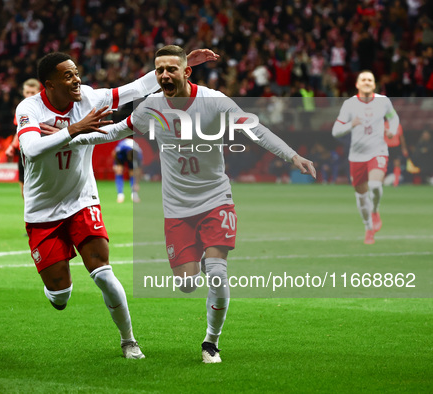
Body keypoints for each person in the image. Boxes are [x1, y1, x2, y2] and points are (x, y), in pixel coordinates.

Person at [70, 45, 316, 363]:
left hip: (216, 200)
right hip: (176, 209)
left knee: (217, 273)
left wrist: (292, 155)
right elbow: (115, 131)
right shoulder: (151, 107)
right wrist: (67, 135)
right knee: (186, 284)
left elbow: (256, 130)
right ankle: (197, 263)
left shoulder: (214, 102)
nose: (164, 75)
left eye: (171, 69)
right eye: (159, 70)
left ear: (186, 71)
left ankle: (211, 343)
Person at [15, 49, 218, 359]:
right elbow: (30, 148)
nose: (76, 79)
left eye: (76, 72)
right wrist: (74, 129)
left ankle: (129, 341)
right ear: (50, 84)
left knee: (104, 273)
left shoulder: (88, 98)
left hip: (82, 200)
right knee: (60, 294)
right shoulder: (29, 108)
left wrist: (183, 63)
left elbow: (133, 90)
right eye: (68, 75)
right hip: (42, 209)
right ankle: (56, 291)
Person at [332, 70, 400, 244]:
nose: (367, 82)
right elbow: (335, 131)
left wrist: (392, 131)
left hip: (378, 151)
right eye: (363, 79)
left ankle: (375, 211)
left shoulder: (383, 102)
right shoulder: (349, 105)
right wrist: (350, 124)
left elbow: (394, 118)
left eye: (370, 79)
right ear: (357, 84)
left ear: (374, 84)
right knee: (361, 197)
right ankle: (368, 228)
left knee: (376, 185)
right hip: (356, 156)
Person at [6, 78, 42, 198]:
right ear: (23, 92)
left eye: (33, 92)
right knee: (24, 190)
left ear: (39, 91)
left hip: (41, 152)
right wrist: (12, 146)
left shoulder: (44, 108)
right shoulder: (22, 109)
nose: (30, 95)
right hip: (24, 153)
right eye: (27, 92)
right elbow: (20, 131)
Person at [113, 137, 142, 203]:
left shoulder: (139, 154)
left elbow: (138, 170)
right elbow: (114, 153)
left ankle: (134, 194)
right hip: (121, 155)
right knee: (119, 171)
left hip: (132, 155)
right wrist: (115, 165)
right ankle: (120, 195)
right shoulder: (121, 148)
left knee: (133, 173)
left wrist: (137, 183)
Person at [384, 122, 408, 187]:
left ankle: (396, 182)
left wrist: (404, 148)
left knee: (397, 164)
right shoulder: (384, 124)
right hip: (386, 146)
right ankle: (381, 180)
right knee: (383, 164)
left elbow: (401, 137)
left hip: (395, 147)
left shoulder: (398, 125)